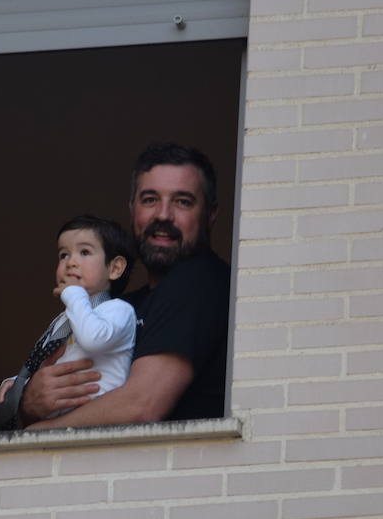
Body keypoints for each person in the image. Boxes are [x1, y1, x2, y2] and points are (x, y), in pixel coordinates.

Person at [20, 144, 230, 429]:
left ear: (211, 214)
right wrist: (29, 401)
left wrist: (34, 433)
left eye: (182, 201)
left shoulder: (202, 281)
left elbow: (141, 406)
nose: (163, 215)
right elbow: (48, 383)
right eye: (150, 199)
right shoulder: (121, 305)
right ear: (132, 209)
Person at [0, 214, 137, 426]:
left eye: (85, 252)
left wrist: (73, 294)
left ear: (114, 268)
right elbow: (54, 360)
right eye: (63, 255)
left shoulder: (119, 310)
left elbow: (93, 339)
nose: (70, 263)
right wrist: (19, 383)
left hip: (100, 422)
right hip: (62, 425)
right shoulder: (66, 318)